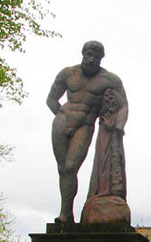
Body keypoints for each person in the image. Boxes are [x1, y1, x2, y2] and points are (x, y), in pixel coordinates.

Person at [46, 41, 128, 223]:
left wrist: (119, 127)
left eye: (95, 57)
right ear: (82, 55)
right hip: (62, 120)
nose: (90, 60)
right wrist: (63, 115)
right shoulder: (68, 73)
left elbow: (123, 106)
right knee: (62, 169)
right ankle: (66, 213)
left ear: (101, 59)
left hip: (85, 125)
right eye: (87, 56)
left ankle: (65, 213)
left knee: (70, 167)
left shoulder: (110, 79)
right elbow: (51, 99)